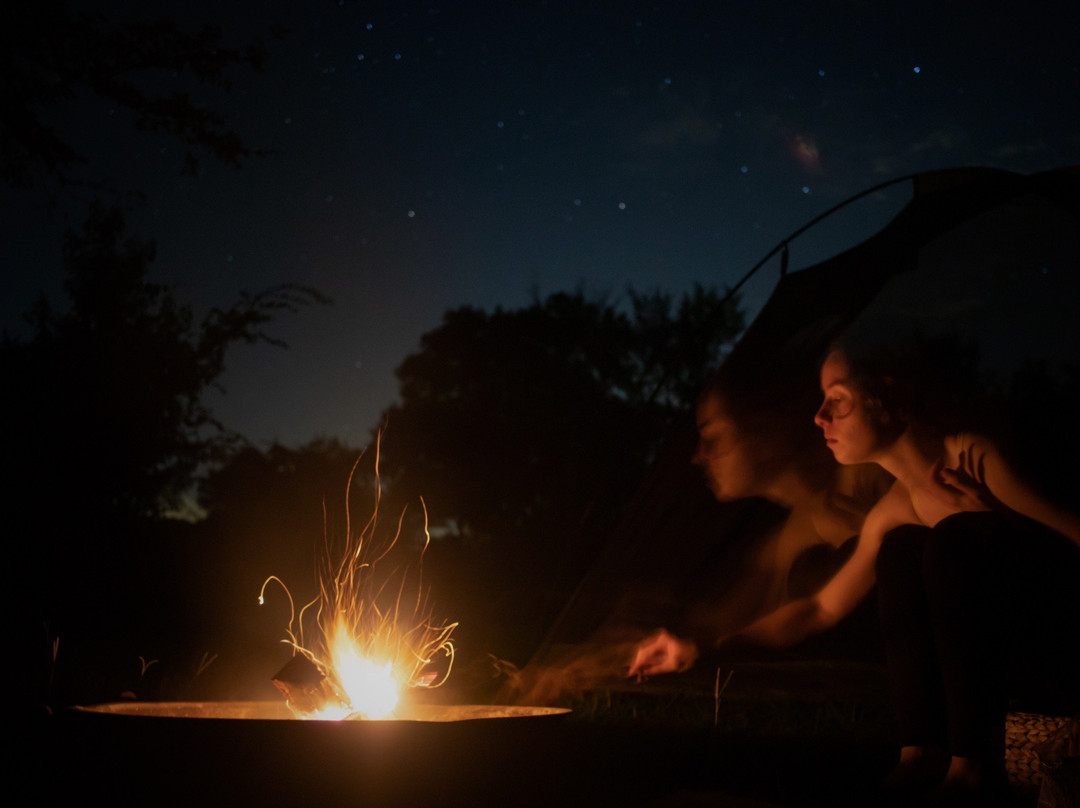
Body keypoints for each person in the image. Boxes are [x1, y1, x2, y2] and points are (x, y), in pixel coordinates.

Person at [629, 340, 1080, 805]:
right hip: (1008, 651)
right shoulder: (895, 508)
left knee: (950, 541)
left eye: (838, 400)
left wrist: (998, 525)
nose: (820, 417)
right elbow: (819, 609)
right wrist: (703, 649)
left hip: (1058, 651)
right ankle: (920, 753)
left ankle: (970, 769)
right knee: (900, 548)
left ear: (886, 397)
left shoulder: (974, 459)